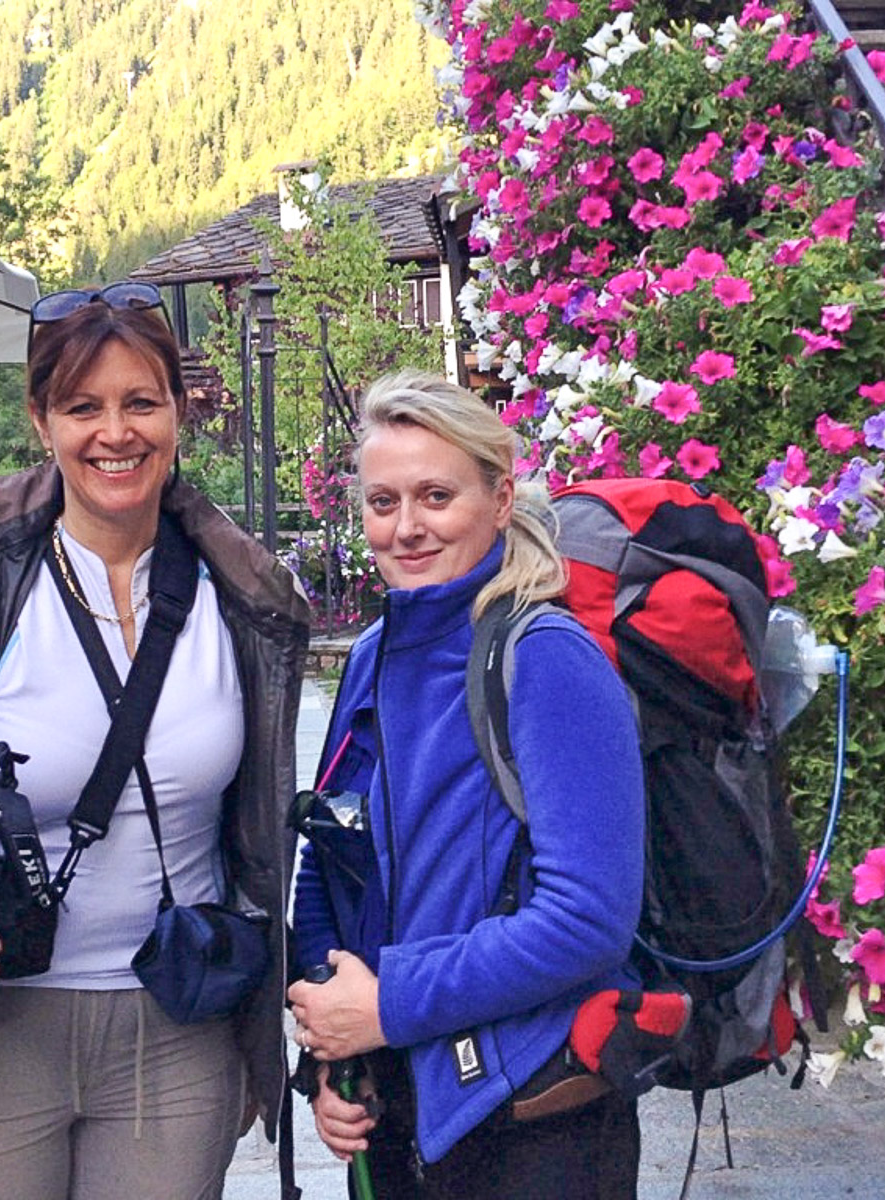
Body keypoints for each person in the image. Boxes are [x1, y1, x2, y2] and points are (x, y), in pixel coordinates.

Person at [0, 282, 310, 1200]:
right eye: (83, 406)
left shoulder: (244, 606)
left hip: (178, 1029)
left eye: (140, 402)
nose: (114, 433)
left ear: (178, 413)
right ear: (42, 422)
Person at [287, 369, 646, 1199]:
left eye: (435, 496)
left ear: (500, 498)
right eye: (383, 503)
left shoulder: (546, 656)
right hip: (401, 1109)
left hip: (533, 1121)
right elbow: (331, 855)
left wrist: (389, 1005)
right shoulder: (375, 653)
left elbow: (588, 918)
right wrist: (334, 1047)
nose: (406, 528)